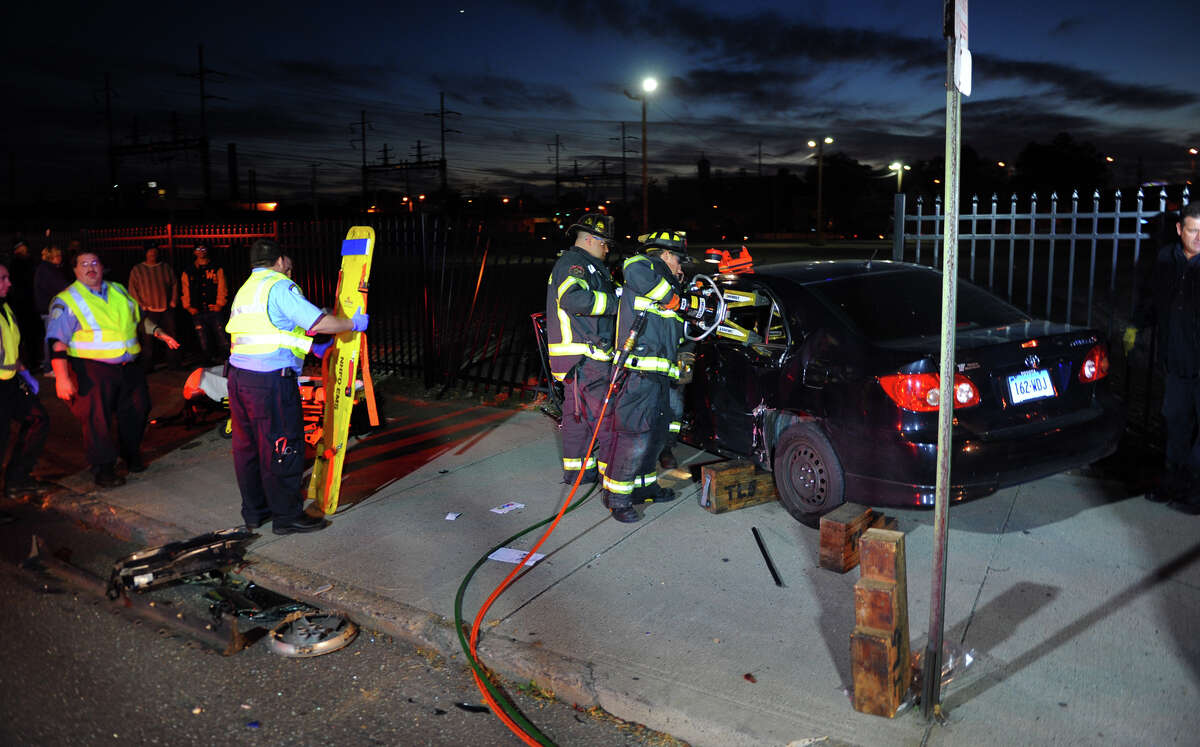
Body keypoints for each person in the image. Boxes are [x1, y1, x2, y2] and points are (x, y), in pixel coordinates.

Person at [226, 238, 367, 535]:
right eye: (287, 260)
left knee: (248, 450)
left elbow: (273, 331)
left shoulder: (247, 289)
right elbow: (319, 322)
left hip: (239, 379)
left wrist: (311, 349)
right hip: (269, 384)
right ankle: (287, 517)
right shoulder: (279, 286)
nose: (290, 266)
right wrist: (352, 323)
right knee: (282, 447)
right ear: (279, 261)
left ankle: (255, 512)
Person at [47, 251, 180, 488]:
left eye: (95, 262)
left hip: (128, 367)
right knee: (97, 420)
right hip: (91, 368)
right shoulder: (68, 299)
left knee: (139, 409)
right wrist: (62, 378)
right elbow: (56, 341)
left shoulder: (118, 289)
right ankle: (104, 469)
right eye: (84, 264)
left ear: (102, 266)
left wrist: (158, 332)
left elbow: (137, 319)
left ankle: (130, 455)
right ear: (75, 271)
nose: (90, 268)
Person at [602, 230, 702, 522]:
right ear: (666, 254)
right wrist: (674, 297)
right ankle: (617, 498)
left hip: (658, 376)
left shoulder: (668, 286)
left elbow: (679, 327)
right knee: (634, 437)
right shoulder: (641, 266)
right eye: (678, 261)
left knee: (655, 436)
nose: (681, 268)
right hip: (638, 373)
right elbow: (635, 270)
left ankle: (644, 487)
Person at [1129, 201, 1200, 512]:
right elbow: (1151, 300)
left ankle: (1195, 492)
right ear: (1179, 229)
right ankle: (1173, 483)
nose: (1199, 238)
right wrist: (1135, 327)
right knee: (1176, 424)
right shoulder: (1166, 260)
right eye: (1193, 231)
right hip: (1176, 363)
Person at [545, 213, 619, 488]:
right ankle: (613, 476)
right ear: (590, 239)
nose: (608, 249)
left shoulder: (584, 264)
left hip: (579, 357)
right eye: (605, 243)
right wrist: (616, 303)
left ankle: (579, 472)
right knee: (608, 417)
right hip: (585, 356)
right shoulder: (575, 263)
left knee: (578, 417)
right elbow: (573, 299)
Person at [0, 260, 52, 499]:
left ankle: (17, 479)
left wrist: (23, 371)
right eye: (2, 278)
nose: (9, 283)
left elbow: (11, 345)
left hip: (11, 381)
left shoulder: (5, 308)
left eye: (8, 277)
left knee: (38, 419)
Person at [128, 243, 181, 371]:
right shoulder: (138, 269)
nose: (152, 254)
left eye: (154, 252)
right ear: (145, 253)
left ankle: (173, 364)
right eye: (150, 252)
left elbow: (174, 284)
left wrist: (173, 300)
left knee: (170, 337)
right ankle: (147, 366)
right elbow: (133, 289)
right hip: (148, 310)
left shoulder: (165, 268)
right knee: (148, 340)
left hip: (165, 308)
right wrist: (140, 305)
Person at [182, 244, 229, 365]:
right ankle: (208, 362)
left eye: (203, 249)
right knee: (203, 339)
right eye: (198, 249)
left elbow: (222, 286)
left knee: (222, 337)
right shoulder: (189, 270)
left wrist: (220, 304)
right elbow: (185, 288)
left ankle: (227, 361)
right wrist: (188, 306)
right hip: (197, 310)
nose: (201, 252)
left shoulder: (216, 268)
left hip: (214, 309)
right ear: (194, 252)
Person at [34, 244, 71, 372]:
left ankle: (49, 367)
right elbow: (63, 288)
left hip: (47, 308)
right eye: (58, 255)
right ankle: (50, 368)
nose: (61, 258)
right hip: (50, 309)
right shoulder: (49, 271)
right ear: (52, 257)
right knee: (51, 338)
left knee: (51, 337)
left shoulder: (46, 269)